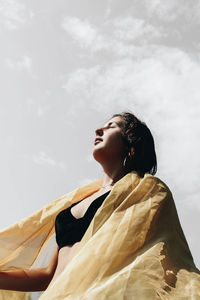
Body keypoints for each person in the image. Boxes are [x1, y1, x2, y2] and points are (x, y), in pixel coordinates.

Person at [0, 112, 199, 300]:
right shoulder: (79, 199)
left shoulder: (145, 191)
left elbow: (151, 260)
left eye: (111, 126)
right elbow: (48, 275)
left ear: (130, 142)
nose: (98, 130)